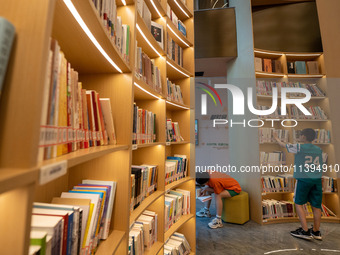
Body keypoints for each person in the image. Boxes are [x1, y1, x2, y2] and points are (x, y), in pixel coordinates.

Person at [273, 128, 323, 240]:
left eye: (301, 135)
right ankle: (316, 231)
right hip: (317, 180)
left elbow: (283, 145)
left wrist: (276, 137)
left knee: (298, 203)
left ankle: (304, 230)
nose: (300, 137)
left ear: (304, 137)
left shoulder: (299, 147)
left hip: (303, 179)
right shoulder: (319, 149)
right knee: (316, 206)